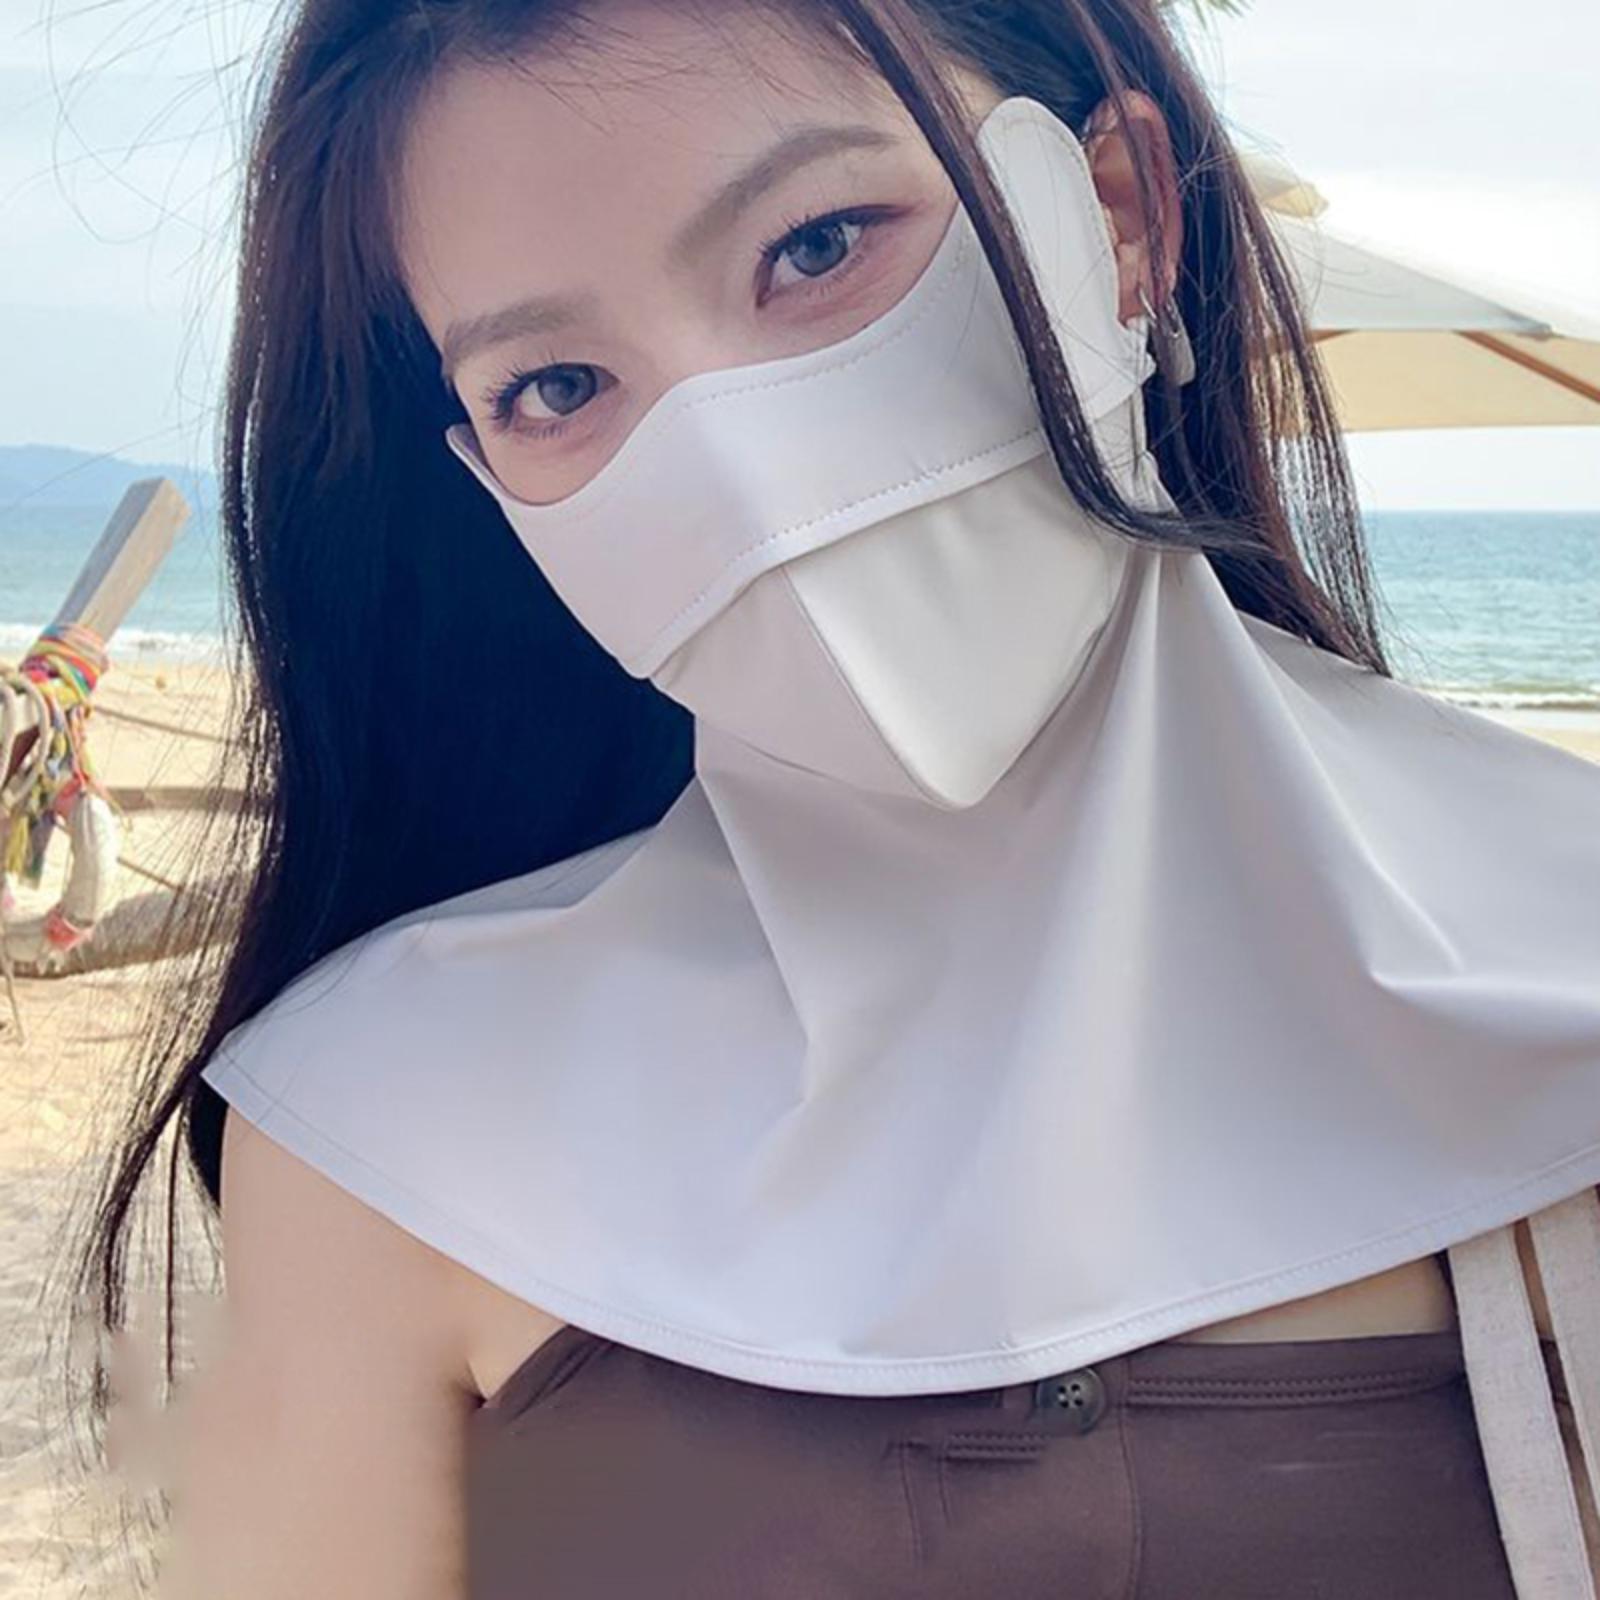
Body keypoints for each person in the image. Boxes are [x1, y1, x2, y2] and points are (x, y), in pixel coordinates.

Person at [75, 2, 1600, 1597]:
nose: (744, 476)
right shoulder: (384, 1123)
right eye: (559, 382)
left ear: (1121, 214)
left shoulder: (1563, 956)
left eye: (817, 248)